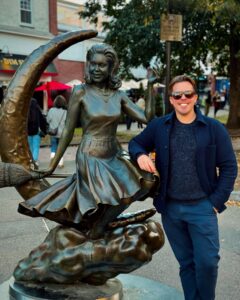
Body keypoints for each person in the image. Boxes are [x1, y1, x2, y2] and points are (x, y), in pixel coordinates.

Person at [18, 43, 158, 239]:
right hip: (90, 155)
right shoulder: (80, 92)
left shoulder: (119, 96)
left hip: (115, 153)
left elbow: (147, 118)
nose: (96, 69)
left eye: (102, 65)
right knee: (109, 195)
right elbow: (68, 129)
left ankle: (101, 225)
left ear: (111, 69)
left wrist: (151, 87)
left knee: (147, 181)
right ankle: (98, 229)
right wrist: (52, 163)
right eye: (92, 64)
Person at [129, 75, 237, 300]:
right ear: (171, 99)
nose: (183, 98)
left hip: (203, 208)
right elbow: (135, 143)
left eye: (188, 94)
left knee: (207, 263)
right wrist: (140, 155)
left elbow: (228, 167)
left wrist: (216, 202)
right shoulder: (160, 126)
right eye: (177, 95)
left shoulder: (213, 128)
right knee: (186, 263)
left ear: (196, 97)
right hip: (172, 209)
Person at [47, 95, 67, 168]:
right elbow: (67, 123)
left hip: (53, 132)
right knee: (60, 148)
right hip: (62, 133)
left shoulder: (51, 110)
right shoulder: (65, 112)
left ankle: (52, 159)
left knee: (53, 147)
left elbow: (47, 120)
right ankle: (60, 163)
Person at [27, 98, 47, 166]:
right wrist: (44, 130)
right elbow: (42, 121)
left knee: (30, 147)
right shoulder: (37, 110)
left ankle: (30, 159)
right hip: (36, 132)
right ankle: (34, 160)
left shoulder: (26, 112)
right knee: (36, 147)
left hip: (28, 132)